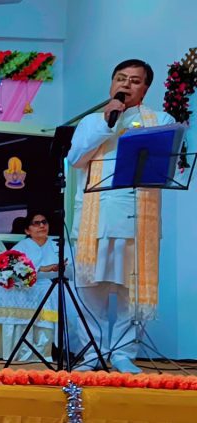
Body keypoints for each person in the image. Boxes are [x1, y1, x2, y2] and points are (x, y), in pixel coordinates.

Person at [68, 58, 173, 374]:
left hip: (136, 218)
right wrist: (107, 122)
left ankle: (124, 354)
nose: (126, 84)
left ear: (145, 89)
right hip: (94, 218)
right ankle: (92, 353)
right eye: (121, 78)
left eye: (135, 80)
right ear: (112, 82)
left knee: (132, 290)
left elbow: (164, 166)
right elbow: (76, 159)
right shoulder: (91, 121)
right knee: (90, 290)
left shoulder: (160, 120)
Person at [12, 211, 62, 280]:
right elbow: (11, 269)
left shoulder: (59, 242)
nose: (42, 225)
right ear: (27, 231)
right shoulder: (21, 247)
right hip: (31, 286)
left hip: (57, 284)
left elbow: (72, 268)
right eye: (36, 223)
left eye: (44, 222)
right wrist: (41, 269)